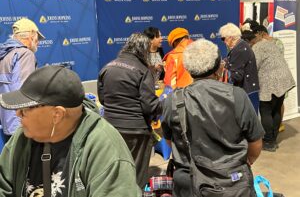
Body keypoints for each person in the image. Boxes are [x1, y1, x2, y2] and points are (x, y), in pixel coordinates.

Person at [0, 65, 140, 196]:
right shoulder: (24, 136)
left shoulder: (106, 150)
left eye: (25, 109)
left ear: (57, 115)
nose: (18, 114)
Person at [162, 39, 264, 197]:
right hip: (233, 183)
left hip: (189, 183)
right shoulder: (237, 96)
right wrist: (245, 162)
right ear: (220, 68)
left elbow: (170, 141)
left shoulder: (173, 101)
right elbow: (255, 143)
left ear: (188, 69)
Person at [97, 33, 162, 188]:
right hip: (136, 132)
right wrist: (164, 105)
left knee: (116, 171)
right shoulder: (142, 70)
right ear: (143, 50)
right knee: (136, 176)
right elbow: (149, 106)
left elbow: (103, 99)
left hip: (110, 129)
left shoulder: (107, 67)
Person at [0, 18, 44, 141]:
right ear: (30, 36)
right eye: (37, 38)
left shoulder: (5, 54)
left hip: (6, 123)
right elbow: (24, 91)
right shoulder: (25, 54)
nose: (38, 42)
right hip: (22, 124)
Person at [249, 34, 295, 152]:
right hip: (284, 79)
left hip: (271, 82)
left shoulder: (257, 47)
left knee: (266, 110)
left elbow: (254, 66)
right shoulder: (270, 44)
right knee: (276, 108)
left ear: (251, 41)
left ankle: (269, 141)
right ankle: (273, 138)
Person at [219, 22, 260, 113]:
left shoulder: (240, 49)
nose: (223, 41)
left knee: (247, 123)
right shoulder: (241, 46)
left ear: (231, 37)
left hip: (246, 93)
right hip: (248, 91)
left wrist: (221, 71)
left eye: (223, 38)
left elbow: (237, 75)